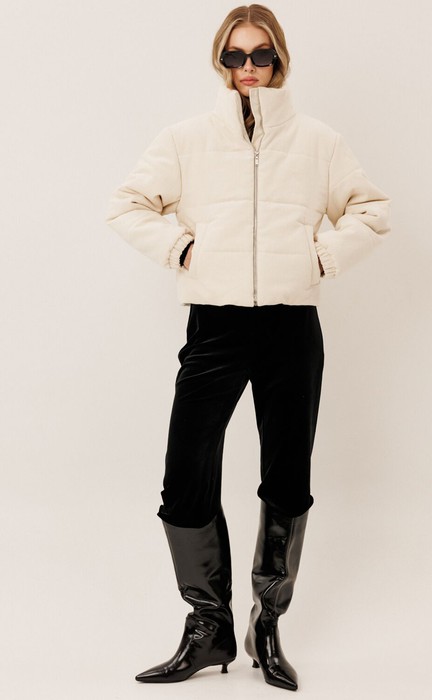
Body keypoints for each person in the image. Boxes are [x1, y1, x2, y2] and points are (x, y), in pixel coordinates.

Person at [105, 3, 391, 692]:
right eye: (235, 56)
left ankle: (267, 625)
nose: (248, 68)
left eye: (261, 54)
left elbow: (371, 209)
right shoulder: (187, 139)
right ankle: (208, 626)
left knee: (288, 477)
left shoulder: (318, 142)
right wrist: (184, 248)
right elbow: (128, 204)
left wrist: (320, 258)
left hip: (292, 329)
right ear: (220, 61)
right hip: (216, 326)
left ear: (279, 59)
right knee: (185, 475)